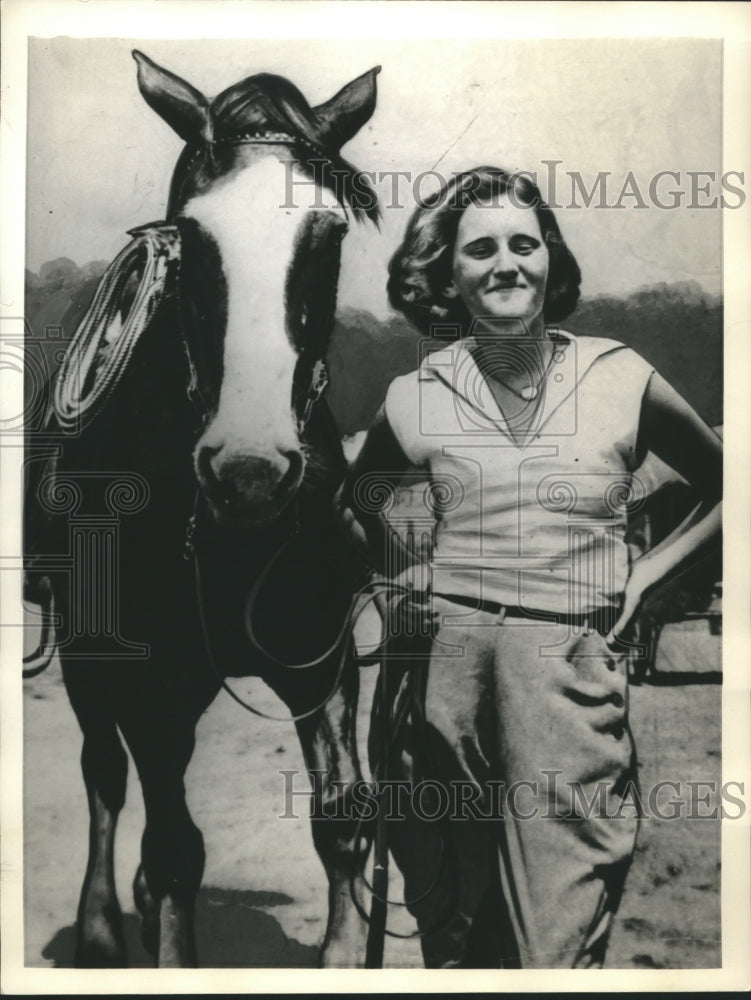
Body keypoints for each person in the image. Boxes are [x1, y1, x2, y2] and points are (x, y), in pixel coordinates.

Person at [338, 166, 722, 968]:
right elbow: (355, 500)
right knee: (451, 939)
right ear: (446, 276)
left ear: (551, 258)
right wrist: (400, 575)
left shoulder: (620, 375)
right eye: (479, 249)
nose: (505, 263)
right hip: (442, 678)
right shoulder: (416, 393)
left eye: (524, 242)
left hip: (567, 676)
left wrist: (652, 575)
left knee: (556, 940)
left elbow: (732, 486)